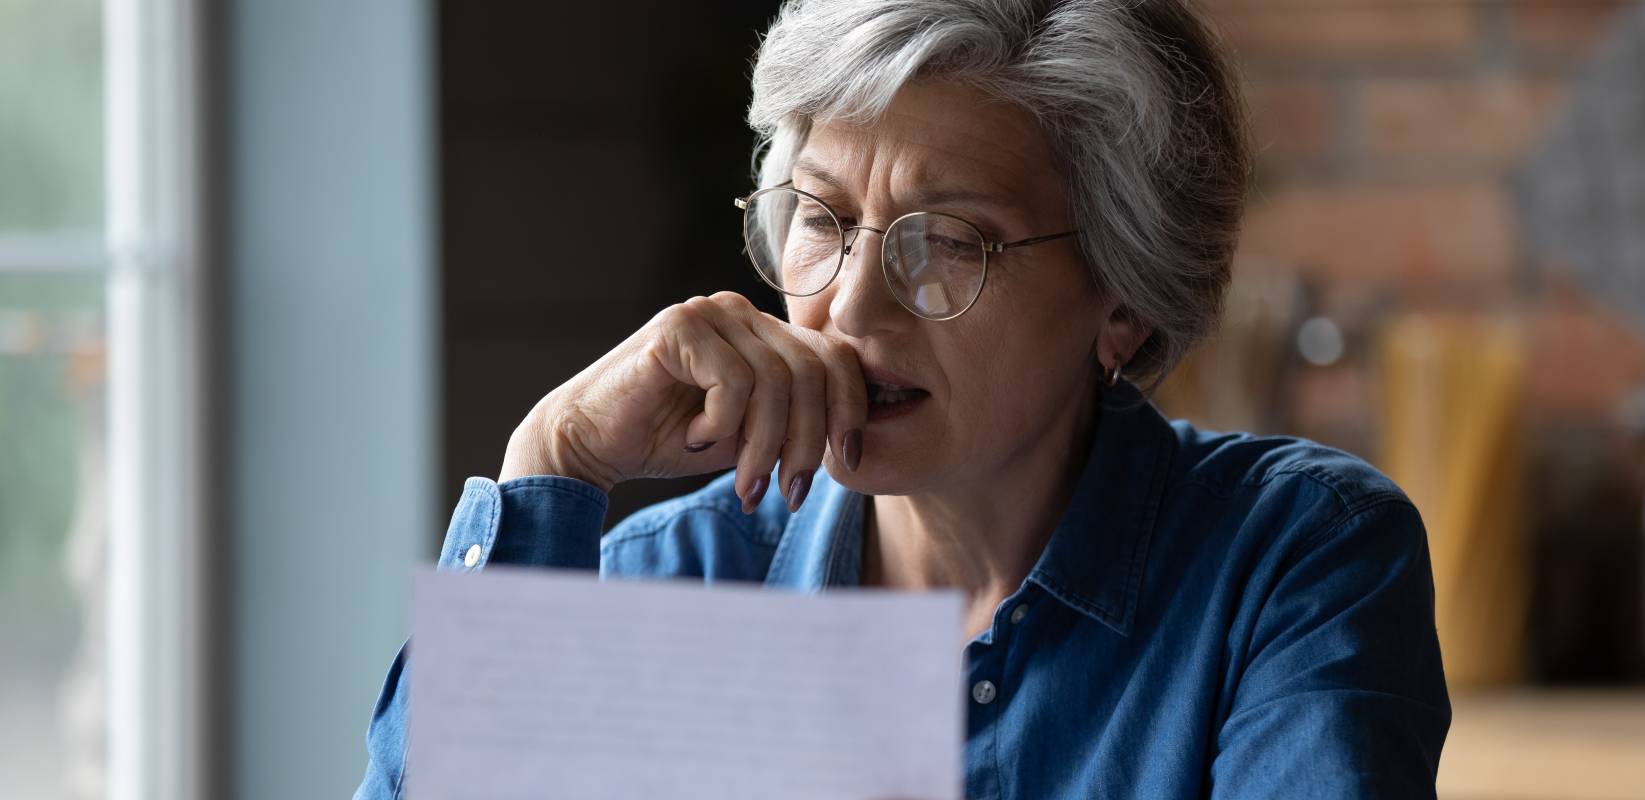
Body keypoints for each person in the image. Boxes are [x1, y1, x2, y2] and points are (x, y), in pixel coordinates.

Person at [355, 0, 1450, 797]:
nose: (850, 306)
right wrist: (556, 454)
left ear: (1123, 298)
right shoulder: (680, 579)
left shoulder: (1294, 562)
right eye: (824, 221)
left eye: (949, 243)